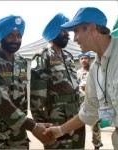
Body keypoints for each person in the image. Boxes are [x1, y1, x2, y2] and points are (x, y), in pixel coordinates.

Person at [44, 7, 118, 150]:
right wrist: (60, 130)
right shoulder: (95, 69)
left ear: (92, 28)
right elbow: (89, 112)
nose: (74, 39)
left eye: (76, 31)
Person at [0, 15, 55, 149]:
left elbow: (23, 98)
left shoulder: (21, 62)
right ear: (1, 36)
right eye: (10, 35)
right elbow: (1, 102)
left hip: (18, 134)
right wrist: (34, 127)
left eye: (19, 35)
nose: (15, 40)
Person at [30, 13, 85, 149]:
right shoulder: (43, 56)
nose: (67, 35)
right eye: (63, 31)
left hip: (76, 116)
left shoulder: (69, 56)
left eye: (67, 31)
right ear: (53, 32)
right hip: (56, 118)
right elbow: (37, 96)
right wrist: (41, 125)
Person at [77, 52, 103, 149]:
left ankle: (97, 146)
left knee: (95, 127)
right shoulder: (77, 73)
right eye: (82, 58)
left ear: (89, 59)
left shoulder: (94, 72)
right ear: (79, 60)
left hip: (93, 104)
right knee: (78, 127)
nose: (84, 60)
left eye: (86, 58)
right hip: (80, 104)